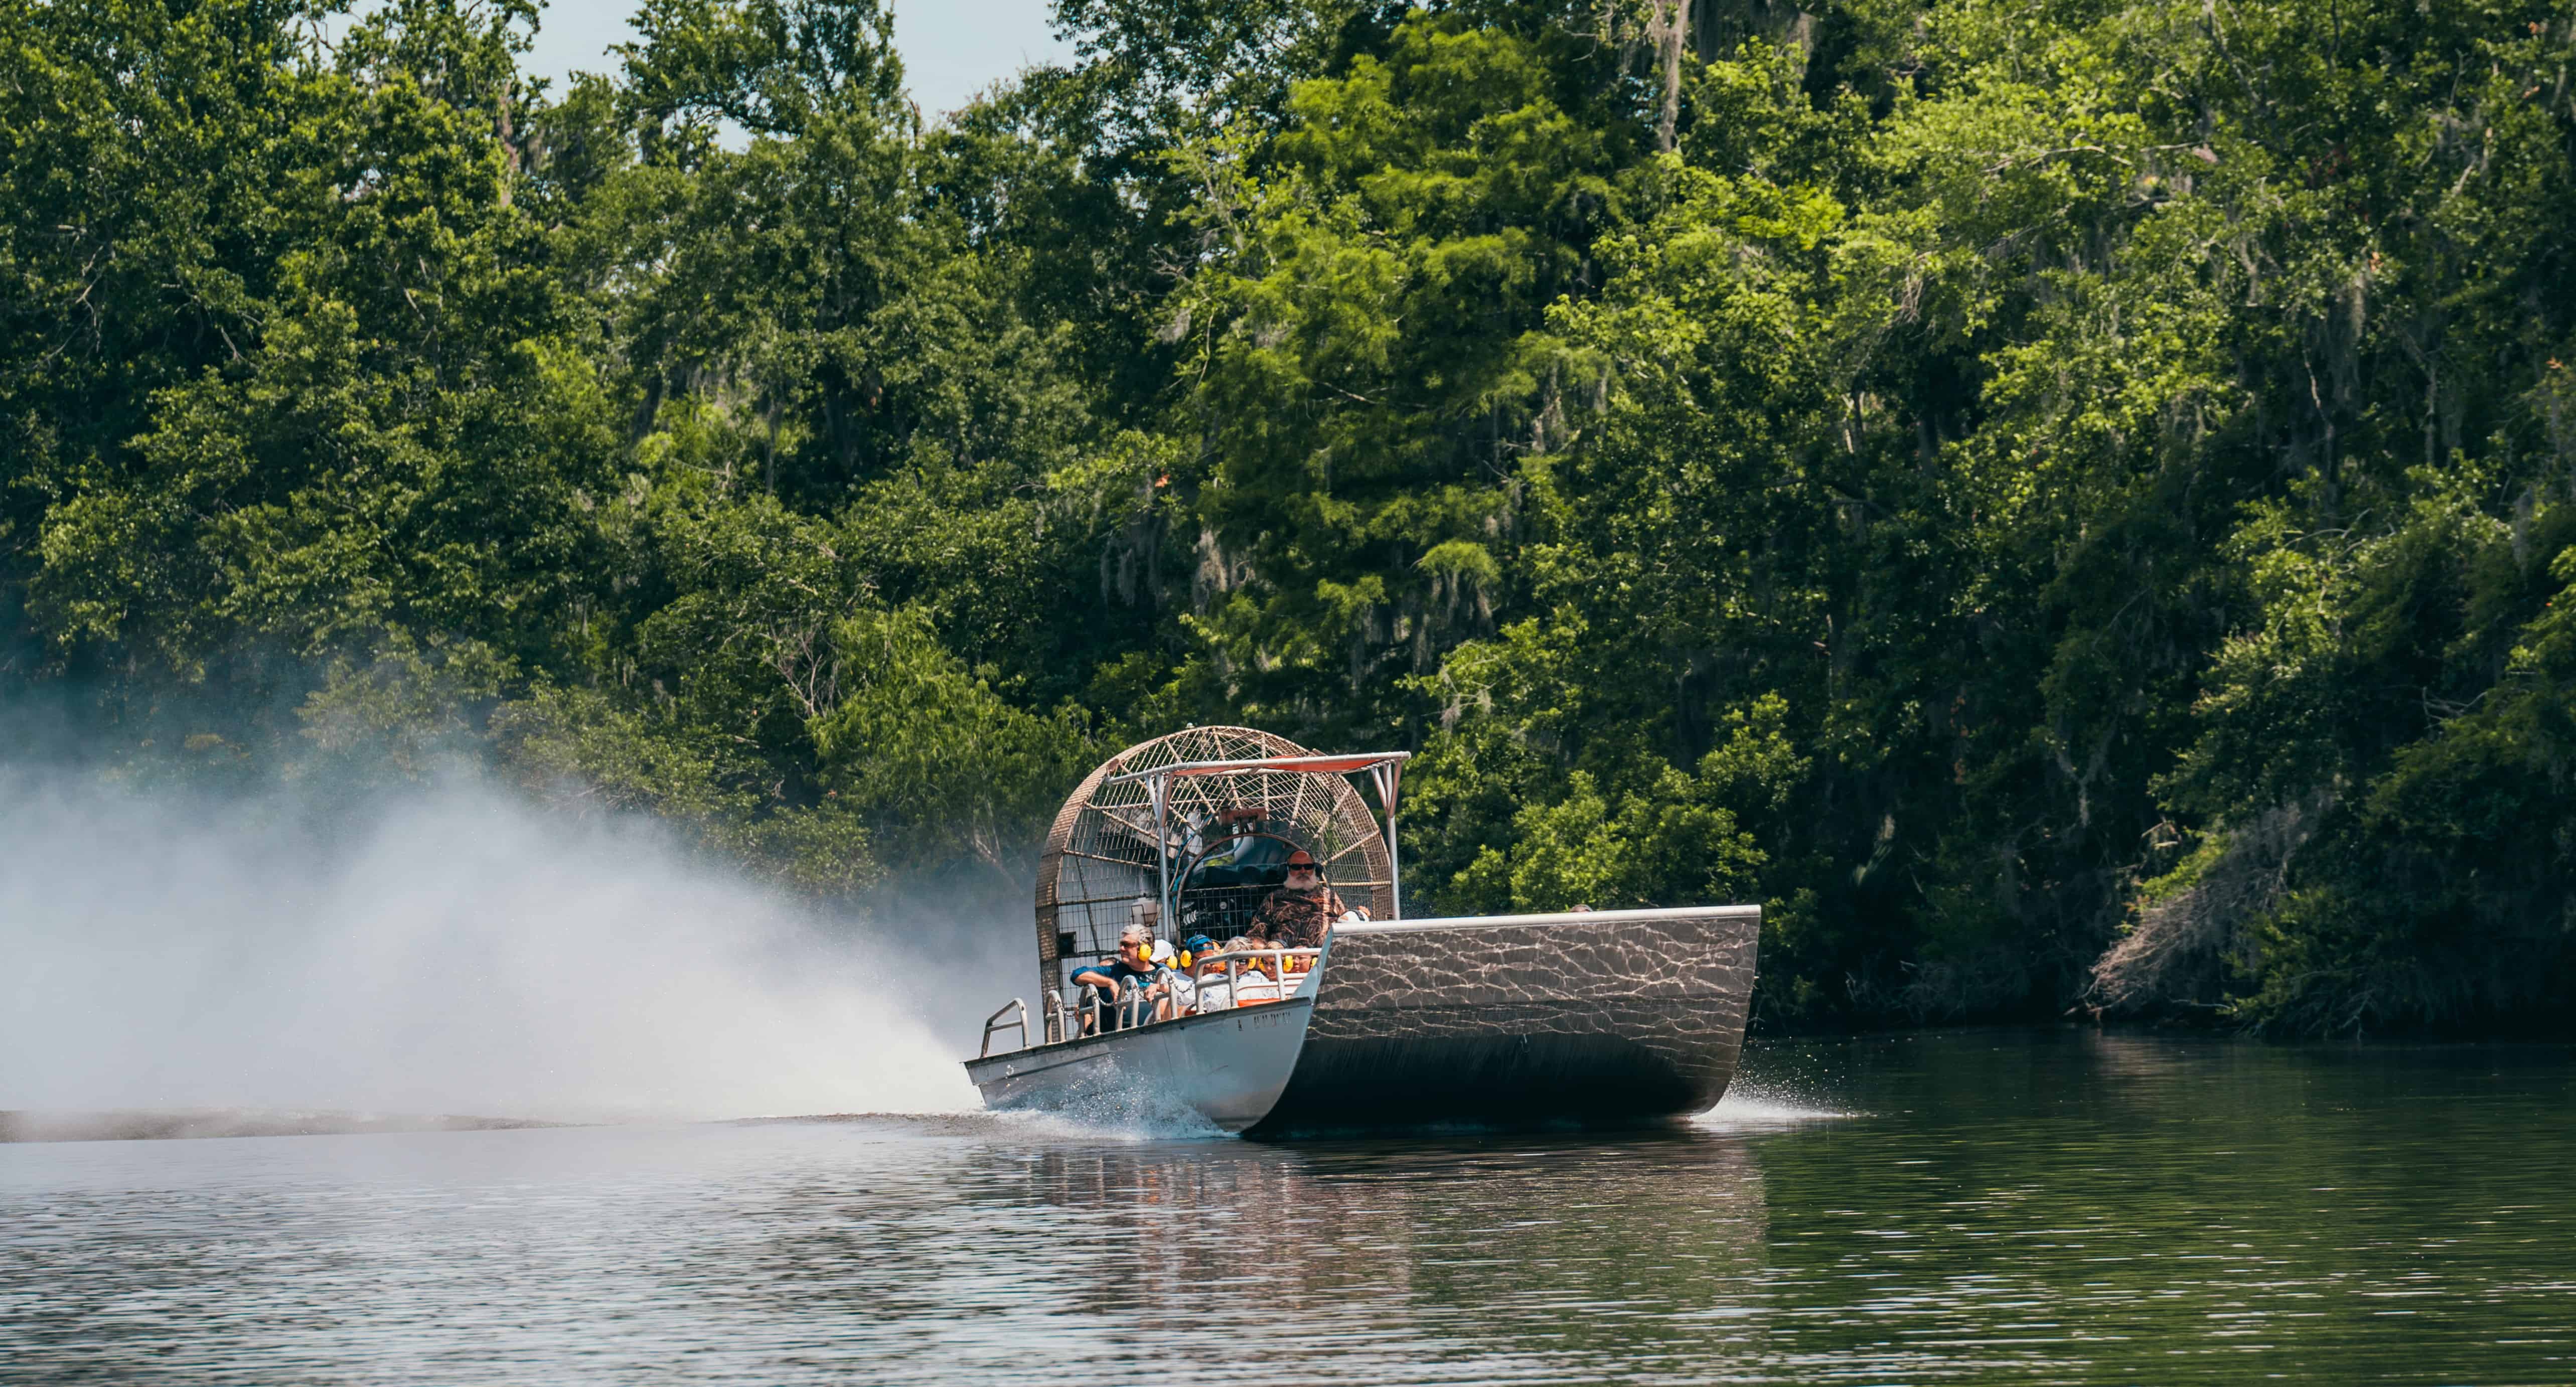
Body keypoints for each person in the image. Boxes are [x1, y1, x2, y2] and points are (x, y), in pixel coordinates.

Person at [1245, 849, 1362, 949]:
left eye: (1308, 867)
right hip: (1285, 966)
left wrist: (1359, 915)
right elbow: (1254, 936)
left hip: (1324, 961)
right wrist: (1267, 951)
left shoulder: (1330, 897)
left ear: (1315, 869)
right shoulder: (1273, 900)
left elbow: (1346, 925)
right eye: (1296, 867)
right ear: (1287, 870)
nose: (1303, 871)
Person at [1068, 923, 1160, 1032]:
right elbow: (1077, 975)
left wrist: (1159, 986)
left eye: (1127, 945)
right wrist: (1110, 983)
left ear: (1144, 949)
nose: (1121, 949)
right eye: (1121, 944)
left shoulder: (1162, 973)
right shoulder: (1112, 972)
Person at [1229, 936, 1283, 1007]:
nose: (1237, 964)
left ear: (1250, 961)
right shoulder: (1213, 979)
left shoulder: (1257, 977)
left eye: (1242, 961)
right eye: (1265, 963)